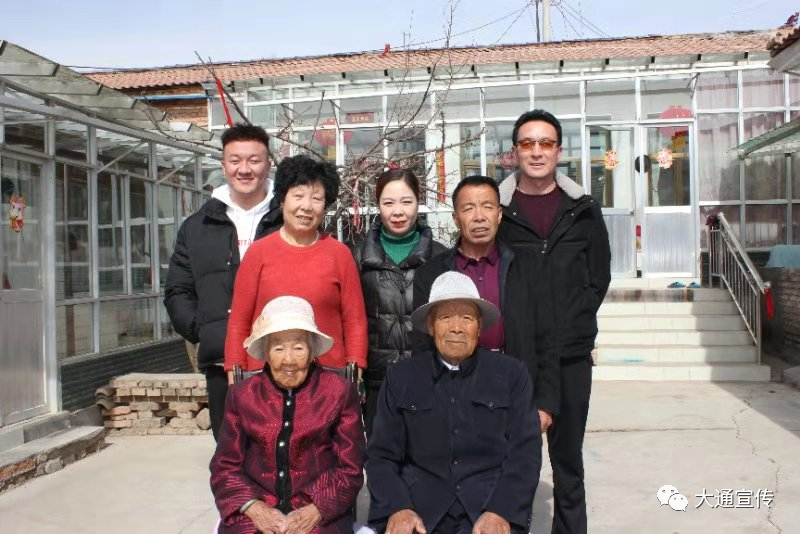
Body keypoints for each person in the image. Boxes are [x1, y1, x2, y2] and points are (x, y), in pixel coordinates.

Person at [498, 109, 611, 534]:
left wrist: (574, 319)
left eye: (546, 143)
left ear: (559, 151)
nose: (537, 152)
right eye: (528, 143)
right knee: (514, 464)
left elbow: (599, 276)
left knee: (568, 465)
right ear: (515, 153)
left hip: (570, 357)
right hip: (515, 358)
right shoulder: (499, 209)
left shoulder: (582, 210)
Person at [367, 271, 541, 534]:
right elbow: (381, 455)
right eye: (446, 318)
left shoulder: (512, 375)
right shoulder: (401, 377)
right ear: (430, 325)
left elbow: (525, 455)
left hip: (487, 510)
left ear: (480, 326)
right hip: (419, 512)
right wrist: (398, 507)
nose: (456, 327)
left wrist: (501, 511)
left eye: (467, 318)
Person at [413, 175, 559, 432]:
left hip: (515, 387)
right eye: (468, 208)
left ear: (499, 215)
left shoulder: (527, 266)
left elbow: (547, 336)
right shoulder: (432, 273)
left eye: (487, 207)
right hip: (453, 389)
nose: (479, 216)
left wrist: (545, 403)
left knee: (517, 468)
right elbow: (423, 343)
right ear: (456, 219)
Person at [165, 123, 281, 441]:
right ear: (223, 165)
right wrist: (203, 328)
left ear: (268, 163)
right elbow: (178, 289)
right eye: (235, 160)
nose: (244, 169)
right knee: (232, 457)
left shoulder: (288, 218)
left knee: (285, 456)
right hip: (222, 364)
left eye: (254, 160)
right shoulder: (196, 227)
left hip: (283, 361)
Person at [210, 296, 365, 534]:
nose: (288, 360)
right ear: (266, 353)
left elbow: (350, 468)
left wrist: (315, 510)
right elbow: (225, 466)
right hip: (256, 510)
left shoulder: (339, 393)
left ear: (312, 350)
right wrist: (253, 507)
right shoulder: (242, 396)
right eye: (278, 348)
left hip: (318, 513)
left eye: (299, 347)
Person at [225, 155, 368, 381]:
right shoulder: (258, 253)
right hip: (265, 378)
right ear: (282, 200)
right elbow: (239, 320)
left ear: (326, 205)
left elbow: (355, 319)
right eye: (298, 196)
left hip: (328, 378)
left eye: (316, 198)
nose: (306, 207)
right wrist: (234, 370)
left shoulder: (339, 254)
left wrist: (356, 366)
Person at [352, 168, 447, 435]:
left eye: (406, 202)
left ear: (418, 202)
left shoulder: (441, 257)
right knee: (382, 460)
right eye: (388, 203)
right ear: (378, 205)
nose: (398, 211)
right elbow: (352, 319)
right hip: (377, 382)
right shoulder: (358, 257)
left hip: (430, 377)